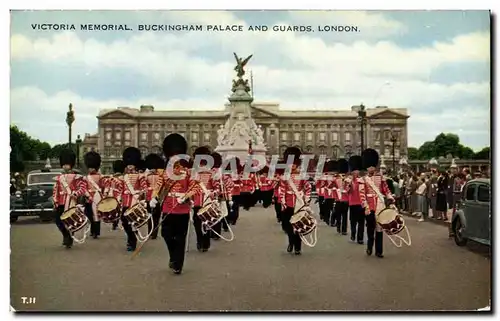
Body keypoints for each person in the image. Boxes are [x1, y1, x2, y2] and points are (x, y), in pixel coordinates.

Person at [150, 133, 200, 274]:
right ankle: (173, 256)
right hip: (168, 207)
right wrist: (154, 197)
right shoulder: (166, 173)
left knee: (180, 237)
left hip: (182, 209)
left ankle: (178, 264)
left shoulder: (188, 173)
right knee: (166, 234)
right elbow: (158, 186)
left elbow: (194, 187)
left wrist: (185, 196)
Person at [361, 149, 394, 258]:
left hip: (380, 205)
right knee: (371, 228)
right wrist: (365, 206)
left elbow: (386, 190)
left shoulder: (381, 178)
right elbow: (362, 194)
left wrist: (390, 197)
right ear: (366, 167)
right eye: (369, 166)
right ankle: (370, 247)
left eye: (372, 166)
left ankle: (379, 251)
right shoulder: (364, 179)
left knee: (379, 229)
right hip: (369, 206)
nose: (371, 168)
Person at [279, 147, 312, 255]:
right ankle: (291, 242)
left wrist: (306, 200)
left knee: (298, 226)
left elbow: (308, 188)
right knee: (288, 226)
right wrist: (282, 202)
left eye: (294, 164)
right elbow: (282, 190)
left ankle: (297, 247)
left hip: (299, 204)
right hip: (288, 203)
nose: (292, 166)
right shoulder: (285, 176)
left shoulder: (302, 176)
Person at [52, 149, 86, 248]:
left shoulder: (77, 177)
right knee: (58, 221)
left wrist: (76, 193)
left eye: (67, 164)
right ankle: (66, 235)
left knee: (70, 221)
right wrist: (55, 200)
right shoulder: (59, 177)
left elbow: (83, 188)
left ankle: (69, 239)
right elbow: (56, 189)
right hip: (61, 202)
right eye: (64, 164)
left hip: (71, 201)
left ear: (71, 165)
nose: (65, 166)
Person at [191, 146, 220, 251]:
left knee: (207, 223)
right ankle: (200, 241)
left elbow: (217, 188)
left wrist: (213, 193)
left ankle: (205, 243)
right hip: (197, 202)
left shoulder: (211, 174)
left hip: (207, 201)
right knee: (197, 223)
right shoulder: (194, 174)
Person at [121, 147, 148, 252]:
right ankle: (131, 236)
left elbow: (144, 188)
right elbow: (121, 189)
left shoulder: (140, 176)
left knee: (133, 221)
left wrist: (140, 195)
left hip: (135, 201)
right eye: (128, 164)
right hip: (126, 201)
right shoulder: (124, 177)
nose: (130, 166)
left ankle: (131, 242)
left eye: (131, 163)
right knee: (124, 221)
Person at [82, 151, 104, 239]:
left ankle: (96, 232)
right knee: (89, 214)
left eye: (92, 167)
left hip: (97, 197)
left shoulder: (100, 177)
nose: (90, 169)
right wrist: (87, 195)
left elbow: (102, 187)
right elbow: (84, 187)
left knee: (96, 215)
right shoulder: (86, 177)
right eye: (89, 167)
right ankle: (93, 230)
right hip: (88, 198)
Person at [211, 152, 234, 237]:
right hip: (222, 196)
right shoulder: (224, 173)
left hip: (211, 196)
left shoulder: (209, 172)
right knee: (220, 213)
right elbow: (230, 185)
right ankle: (217, 232)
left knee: (213, 214)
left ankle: (213, 232)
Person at [346, 155, 366, 245]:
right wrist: (350, 184)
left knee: (361, 222)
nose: (356, 172)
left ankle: (360, 238)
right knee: (353, 221)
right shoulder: (349, 181)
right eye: (354, 171)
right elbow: (347, 191)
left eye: (357, 171)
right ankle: (353, 234)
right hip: (352, 203)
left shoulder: (362, 180)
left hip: (361, 203)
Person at [145, 153, 165, 239]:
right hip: (149, 197)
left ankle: (154, 233)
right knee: (149, 216)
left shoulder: (160, 176)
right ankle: (150, 232)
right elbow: (144, 186)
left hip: (157, 197)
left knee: (156, 216)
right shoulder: (147, 176)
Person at [103, 160, 125, 231]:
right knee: (117, 209)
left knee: (116, 209)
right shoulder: (123, 178)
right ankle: (115, 222)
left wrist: (105, 193)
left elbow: (107, 186)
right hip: (118, 194)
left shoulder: (111, 177)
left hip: (112, 194)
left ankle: (115, 222)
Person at [334, 158, 349, 235]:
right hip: (338, 199)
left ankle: (344, 230)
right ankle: (338, 227)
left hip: (345, 199)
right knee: (338, 215)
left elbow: (350, 189)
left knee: (345, 216)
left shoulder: (348, 179)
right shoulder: (336, 179)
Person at [323, 160, 337, 227]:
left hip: (335, 195)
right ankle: (327, 219)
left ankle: (333, 221)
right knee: (328, 209)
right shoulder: (325, 177)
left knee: (335, 209)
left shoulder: (336, 177)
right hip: (327, 195)